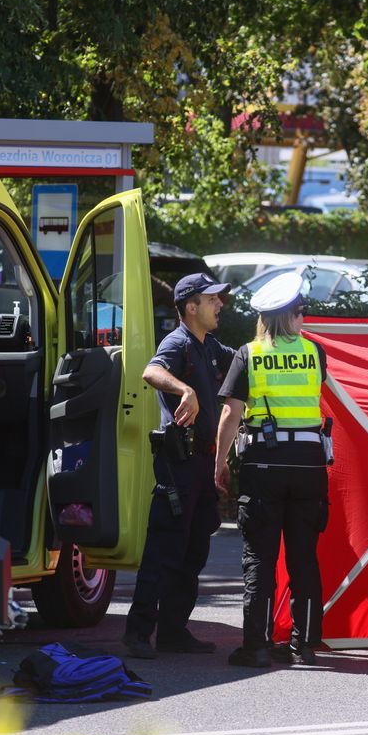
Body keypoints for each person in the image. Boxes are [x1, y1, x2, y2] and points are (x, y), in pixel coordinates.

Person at [214, 272, 330, 668]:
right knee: (304, 559)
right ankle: (304, 647)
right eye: (301, 311)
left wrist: (220, 464)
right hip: (310, 467)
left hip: (264, 465)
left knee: (260, 559)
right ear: (288, 316)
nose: (304, 317)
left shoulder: (248, 354)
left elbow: (230, 414)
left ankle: (257, 647)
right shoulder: (315, 353)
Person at [122, 272, 235, 659]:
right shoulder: (178, 342)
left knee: (194, 550)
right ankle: (138, 632)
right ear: (191, 307)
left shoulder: (209, 345)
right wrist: (184, 389)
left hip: (202, 465)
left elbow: (241, 365)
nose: (220, 304)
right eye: (212, 299)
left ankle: (173, 630)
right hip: (179, 464)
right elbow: (151, 372)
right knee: (165, 549)